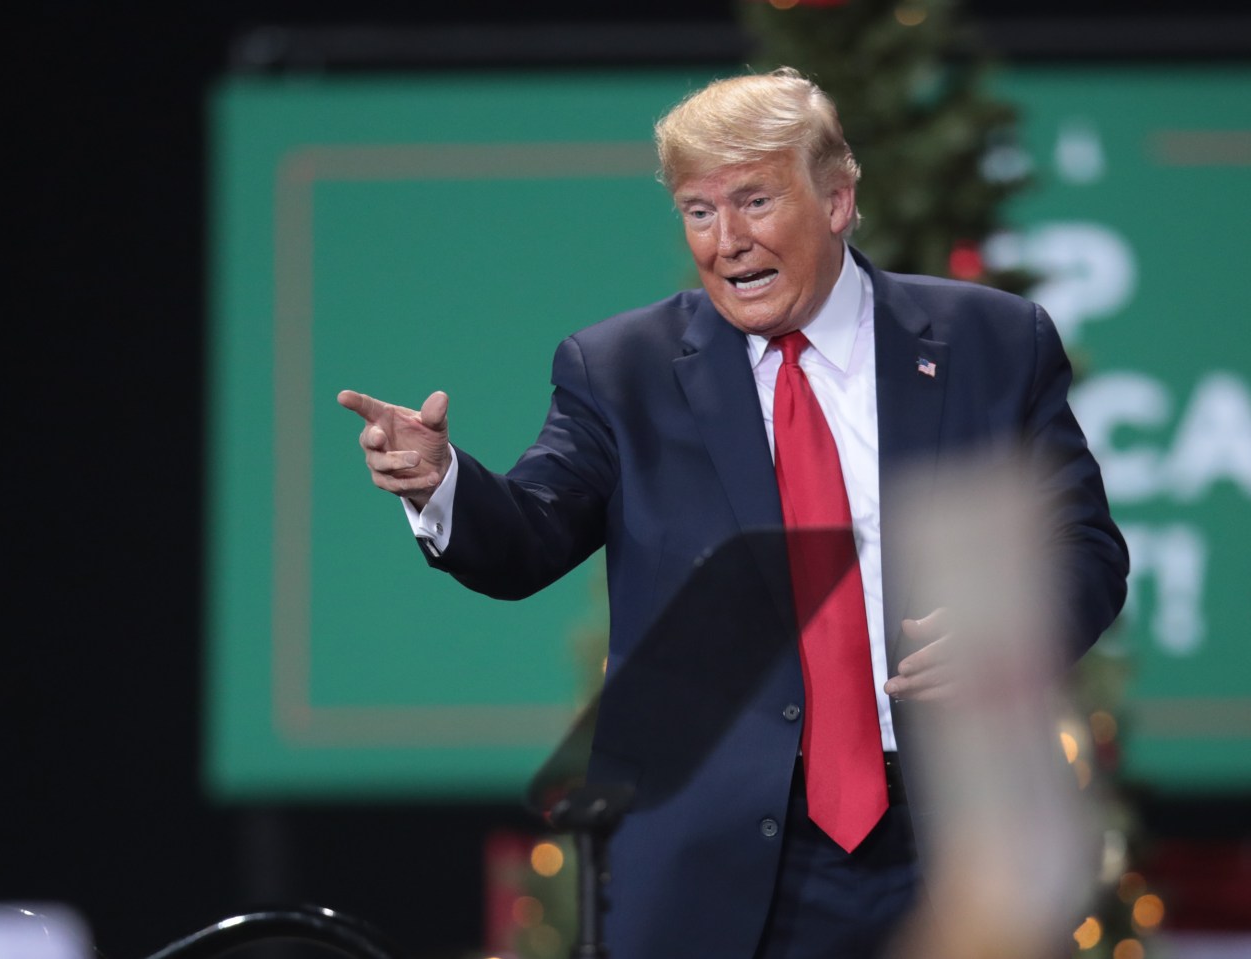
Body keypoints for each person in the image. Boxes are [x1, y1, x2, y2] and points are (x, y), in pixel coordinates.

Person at [338, 68, 1127, 959]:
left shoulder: (991, 340)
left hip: (953, 843)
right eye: (699, 210)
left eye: (754, 200)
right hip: (707, 861)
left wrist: (1010, 628)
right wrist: (440, 479)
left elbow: (1085, 547)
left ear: (837, 199)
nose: (728, 242)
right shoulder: (622, 369)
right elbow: (528, 533)